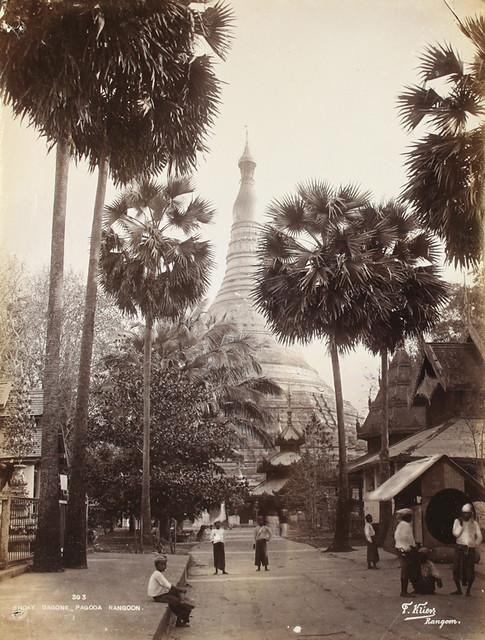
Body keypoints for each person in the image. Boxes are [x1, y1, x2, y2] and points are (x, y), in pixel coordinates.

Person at [147, 555, 194, 627]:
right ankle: (182, 607)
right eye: (162, 565)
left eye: (165, 564)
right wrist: (180, 589)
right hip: (158, 596)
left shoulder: (158, 574)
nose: (164, 566)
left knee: (176, 596)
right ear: (157, 565)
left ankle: (183, 603)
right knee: (176, 601)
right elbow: (169, 586)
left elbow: (168, 585)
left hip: (161, 593)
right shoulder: (157, 574)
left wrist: (179, 590)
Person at [451, 503, 483, 596]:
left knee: (470, 570)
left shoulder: (474, 523)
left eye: (468, 513)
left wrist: (474, 543)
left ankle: (468, 590)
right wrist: (461, 526)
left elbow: (480, 537)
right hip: (460, 548)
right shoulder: (457, 521)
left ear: (471, 513)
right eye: (464, 513)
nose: (466, 515)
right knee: (456, 569)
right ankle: (459, 590)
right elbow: (455, 534)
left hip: (470, 549)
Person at [394, 508, 419, 596]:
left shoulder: (400, 525)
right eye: (410, 516)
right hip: (405, 550)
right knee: (406, 571)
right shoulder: (406, 525)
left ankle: (404, 591)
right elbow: (407, 538)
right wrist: (412, 547)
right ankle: (404, 592)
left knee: (405, 570)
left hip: (400, 549)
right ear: (407, 517)